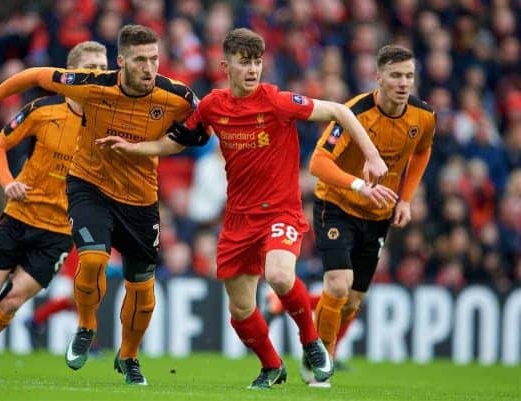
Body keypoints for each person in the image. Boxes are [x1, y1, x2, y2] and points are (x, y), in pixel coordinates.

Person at [96, 28, 393, 389]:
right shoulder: (212, 106)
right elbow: (179, 142)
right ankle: (272, 366)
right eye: (244, 63)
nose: (252, 70)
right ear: (226, 66)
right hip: (238, 218)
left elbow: (338, 112)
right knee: (240, 310)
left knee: (281, 276)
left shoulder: (277, 101)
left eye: (257, 63)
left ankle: (312, 342)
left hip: (280, 211)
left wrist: (372, 155)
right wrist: (132, 148)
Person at [0, 25, 199, 385]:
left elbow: (204, 125)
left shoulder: (177, 96)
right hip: (89, 187)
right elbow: (34, 74)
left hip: (140, 199)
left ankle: (129, 356)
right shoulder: (90, 86)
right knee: (92, 259)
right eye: (139, 60)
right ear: (121, 63)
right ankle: (86, 325)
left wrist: (148, 148)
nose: (149, 68)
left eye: (154, 59)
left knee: (142, 287)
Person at [0, 41, 109, 376]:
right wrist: (6, 182)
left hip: (58, 234)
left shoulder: (108, 125)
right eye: (91, 68)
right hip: (19, 216)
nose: (98, 75)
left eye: (103, 69)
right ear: (71, 73)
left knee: (12, 302)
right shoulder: (42, 112)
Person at [308, 44, 435, 380]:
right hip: (336, 203)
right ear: (378, 77)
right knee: (338, 284)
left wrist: (405, 199)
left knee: (350, 302)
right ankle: (320, 360)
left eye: (409, 75)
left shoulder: (423, 117)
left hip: (378, 215)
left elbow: (422, 151)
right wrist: (359, 186)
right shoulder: (355, 113)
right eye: (395, 76)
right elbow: (318, 163)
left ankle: (310, 329)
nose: (404, 82)